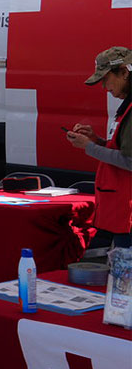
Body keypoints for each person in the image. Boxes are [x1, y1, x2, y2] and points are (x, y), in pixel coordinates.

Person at [66, 46, 132, 241]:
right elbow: (121, 149)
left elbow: (129, 161)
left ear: (124, 73)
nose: (105, 87)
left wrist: (89, 146)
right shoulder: (127, 104)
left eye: (105, 80)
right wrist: (98, 141)